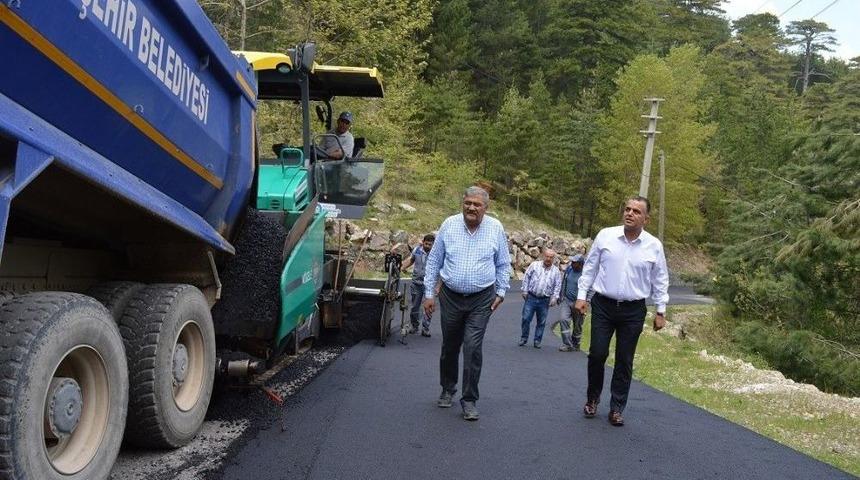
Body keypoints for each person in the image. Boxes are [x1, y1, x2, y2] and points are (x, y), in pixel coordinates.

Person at [576, 195, 669, 427]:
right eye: (627, 209)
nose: (629, 213)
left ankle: (617, 407)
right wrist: (581, 297)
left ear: (646, 219)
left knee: (624, 360)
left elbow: (660, 279)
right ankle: (592, 398)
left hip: (633, 310)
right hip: (603, 305)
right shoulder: (606, 236)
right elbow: (590, 268)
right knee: (597, 353)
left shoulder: (654, 246)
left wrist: (660, 310)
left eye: (636, 211)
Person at [423, 186, 510, 421]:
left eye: (477, 204)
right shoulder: (449, 225)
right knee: (449, 346)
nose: (471, 208)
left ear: (486, 208)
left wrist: (501, 291)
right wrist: (429, 294)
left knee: (472, 347)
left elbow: (503, 263)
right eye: (468, 203)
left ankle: (469, 399)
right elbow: (433, 262)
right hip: (450, 297)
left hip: (481, 299)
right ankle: (447, 388)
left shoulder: (495, 229)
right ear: (463, 203)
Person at [518, 248, 561, 349]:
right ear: (543, 256)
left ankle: (537, 341)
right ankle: (524, 338)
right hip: (531, 297)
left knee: (541, 322)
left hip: (544, 300)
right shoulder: (534, 265)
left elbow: (557, 286)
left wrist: (554, 298)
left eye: (551, 257)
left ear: (553, 258)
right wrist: (524, 290)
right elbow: (526, 277)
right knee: (525, 318)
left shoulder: (556, 271)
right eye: (547, 256)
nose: (549, 259)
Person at [401, 233, 436, 337]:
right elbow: (411, 261)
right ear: (423, 242)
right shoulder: (417, 250)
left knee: (428, 307)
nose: (428, 246)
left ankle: (425, 328)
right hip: (416, 283)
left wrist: (438, 286)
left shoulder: (435, 254)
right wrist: (402, 268)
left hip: (429, 284)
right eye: (426, 244)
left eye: (430, 245)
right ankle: (414, 326)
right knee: (414, 306)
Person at [557, 254, 585, 352]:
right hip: (567, 300)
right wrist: (561, 295)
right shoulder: (569, 270)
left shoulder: (586, 274)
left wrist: (586, 302)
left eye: (574, 262)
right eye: (572, 262)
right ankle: (567, 344)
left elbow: (590, 289)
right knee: (563, 319)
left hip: (579, 303)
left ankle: (576, 343)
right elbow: (564, 282)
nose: (572, 264)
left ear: (580, 264)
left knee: (577, 325)